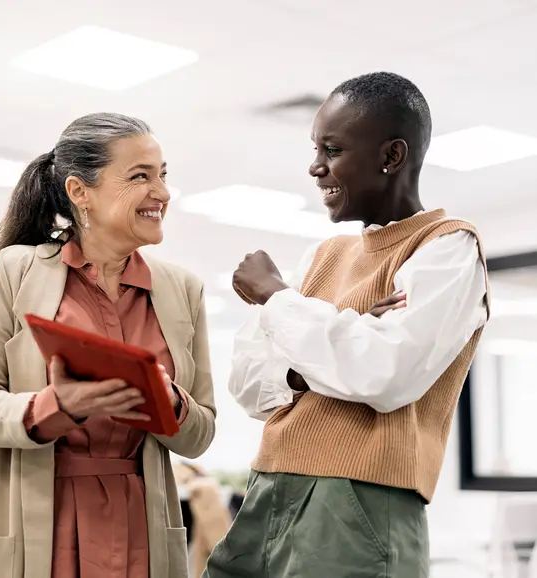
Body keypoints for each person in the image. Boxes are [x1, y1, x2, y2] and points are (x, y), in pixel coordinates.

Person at [204, 72, 490, 578]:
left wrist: (276, 298)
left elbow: (382, 374)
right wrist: (344, 331)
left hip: (358, 500)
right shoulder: (321, 255)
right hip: (269, 484)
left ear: (391, 157)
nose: (316, 168)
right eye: (316, 149)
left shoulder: (448, 247)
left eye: (331, 149)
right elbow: (248, 386)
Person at [0, 112, 216, 578]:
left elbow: (202, 432)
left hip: (141, 529)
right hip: (36, 521)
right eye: (140, 176)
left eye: (163, 175)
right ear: (79, 192)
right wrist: (55, 406)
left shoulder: (182, 290)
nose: (162, 192)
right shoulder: (16, 271)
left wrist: (169, 400)